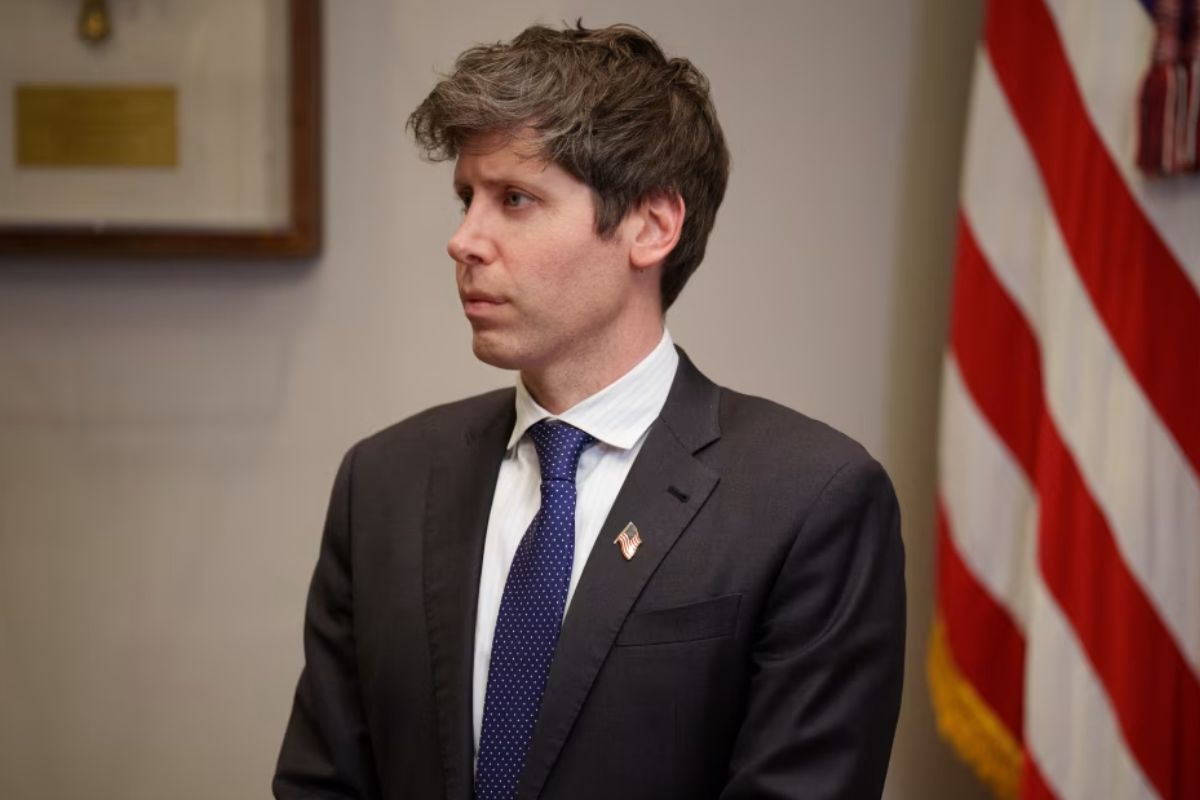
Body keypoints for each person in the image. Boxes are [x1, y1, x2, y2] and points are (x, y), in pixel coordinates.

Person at [274, 21, 905, 800]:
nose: (464, 240)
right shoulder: (383, 482)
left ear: (651, 226)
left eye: (515, 199)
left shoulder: (810, 501)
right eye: (467, 199)